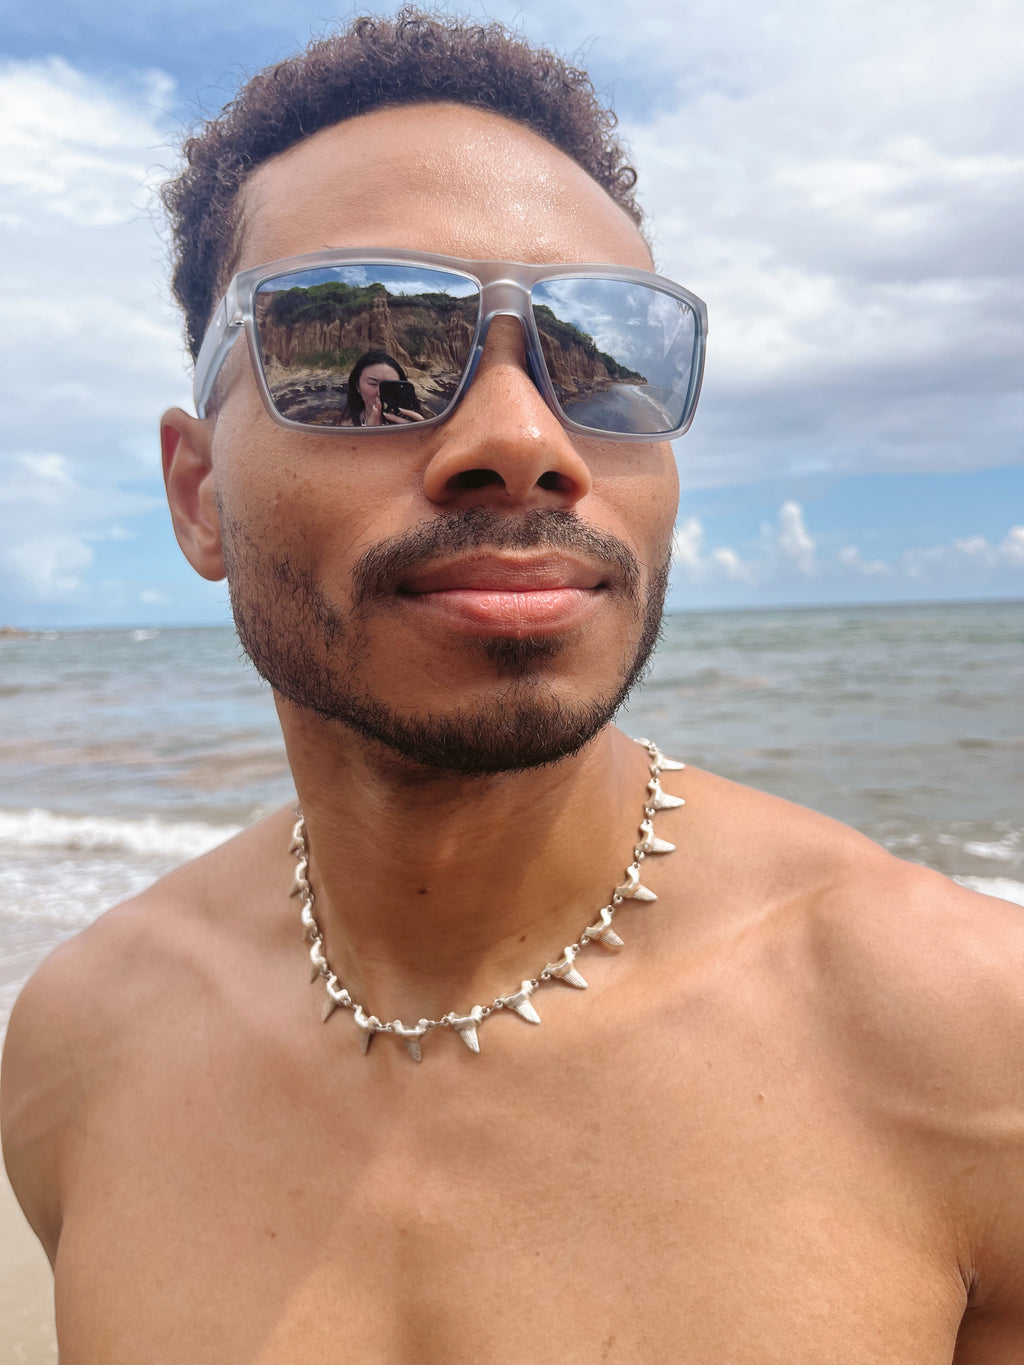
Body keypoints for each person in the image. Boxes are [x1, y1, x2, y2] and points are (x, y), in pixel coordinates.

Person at [3, 9, 1024, 1362]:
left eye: (606, 359)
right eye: (360, 361)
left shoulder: (965, 1039)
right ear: (198, 495)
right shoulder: (81, 1047)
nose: (524, 438)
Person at [341, 349, 423, 427]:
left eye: (390, 386)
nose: (380, 393)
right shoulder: (344, 429)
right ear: (357, 386)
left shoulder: (416, 423)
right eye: (373, 383)